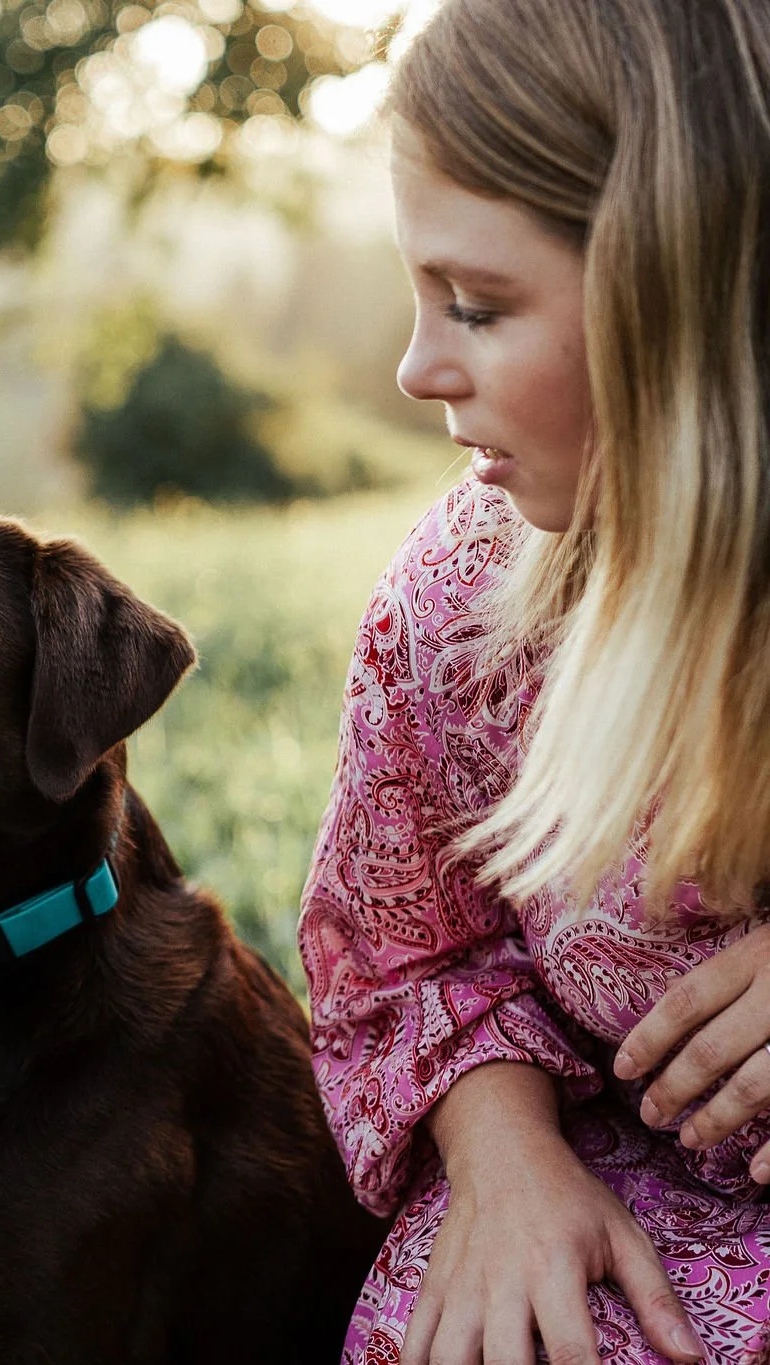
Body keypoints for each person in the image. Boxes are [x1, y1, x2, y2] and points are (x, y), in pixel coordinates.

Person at [298, 1, 770, 1362]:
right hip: (623, 1183)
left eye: (480, 306)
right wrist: (502, 1158)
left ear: (682, 297)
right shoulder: (460, 602)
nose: (417, 367)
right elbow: (406, 944)